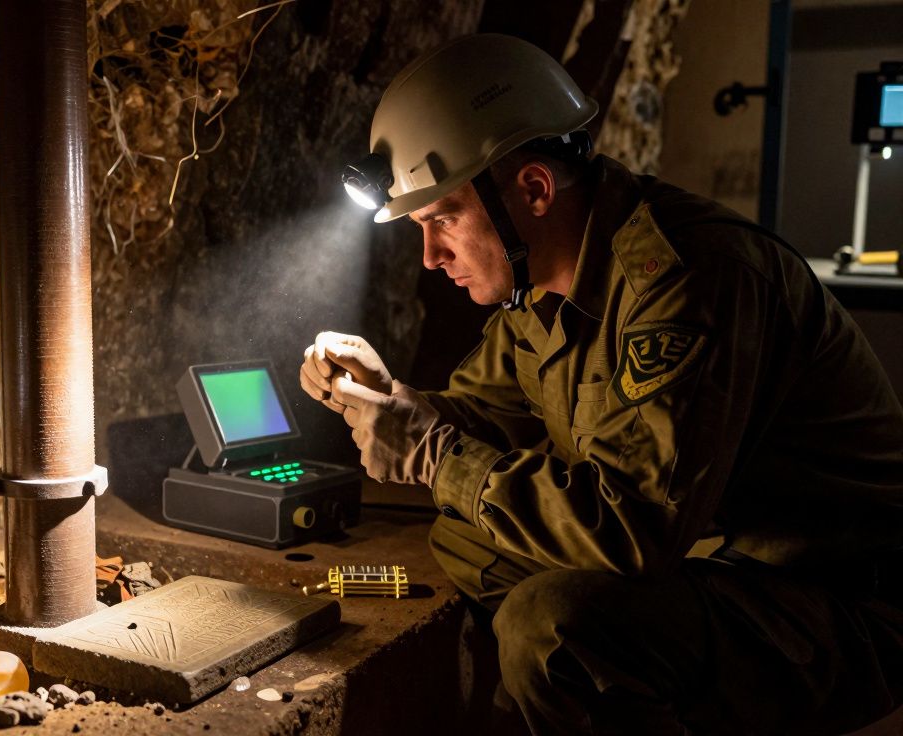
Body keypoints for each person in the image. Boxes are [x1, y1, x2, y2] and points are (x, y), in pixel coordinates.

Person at [302, 33, 903, 735]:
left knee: (550, 627)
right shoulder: (541, 287)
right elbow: (492, 417)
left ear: (532, 188)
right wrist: (401, 402)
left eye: (443, 221)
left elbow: (632, 528)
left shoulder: (686, 282)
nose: (431, 257)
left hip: (838, 600)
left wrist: (431, 452)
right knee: (467, 538)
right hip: (726, 566)